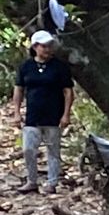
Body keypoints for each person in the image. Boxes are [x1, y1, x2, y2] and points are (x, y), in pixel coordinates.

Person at [13, 30, 72, 194]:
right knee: (28, 149)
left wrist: (66, 113)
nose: (47, 49)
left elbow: (68, 91)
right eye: (44, 46)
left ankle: (51, 183)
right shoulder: (26, 67)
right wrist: (16, 112)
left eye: (49, 46)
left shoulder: (59, 67)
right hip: (32, 115)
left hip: (53, 114)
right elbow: (19, 90)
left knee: (53, 150)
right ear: (35, 47)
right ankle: (32, 180)